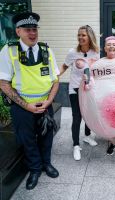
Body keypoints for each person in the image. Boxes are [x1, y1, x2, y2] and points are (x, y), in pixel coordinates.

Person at [0, 12, 60, 190]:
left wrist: (49, 102)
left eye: (34, 29)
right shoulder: (8, 51)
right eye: (27, 29)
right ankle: (34, 169)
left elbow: (55, 81)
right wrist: (27, 106)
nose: (32, 33)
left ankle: (46, 164)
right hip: (22, 106)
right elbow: (3, 83)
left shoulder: (46, 50)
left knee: (46, 136)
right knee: (27, 139)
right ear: (18, 31)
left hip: (45, 104)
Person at [59, 25, 99, 161]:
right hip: (75, 89)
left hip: (89, 89)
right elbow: (64, 66)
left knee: (88, 114)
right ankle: (76, 145)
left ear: (90, 37)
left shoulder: (96, 53)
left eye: (83, 35)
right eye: (79, 35)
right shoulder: (72, 52)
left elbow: (98, 71)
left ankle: (87, 136)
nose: (80, 37)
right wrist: (55, 77)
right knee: (77, 117)